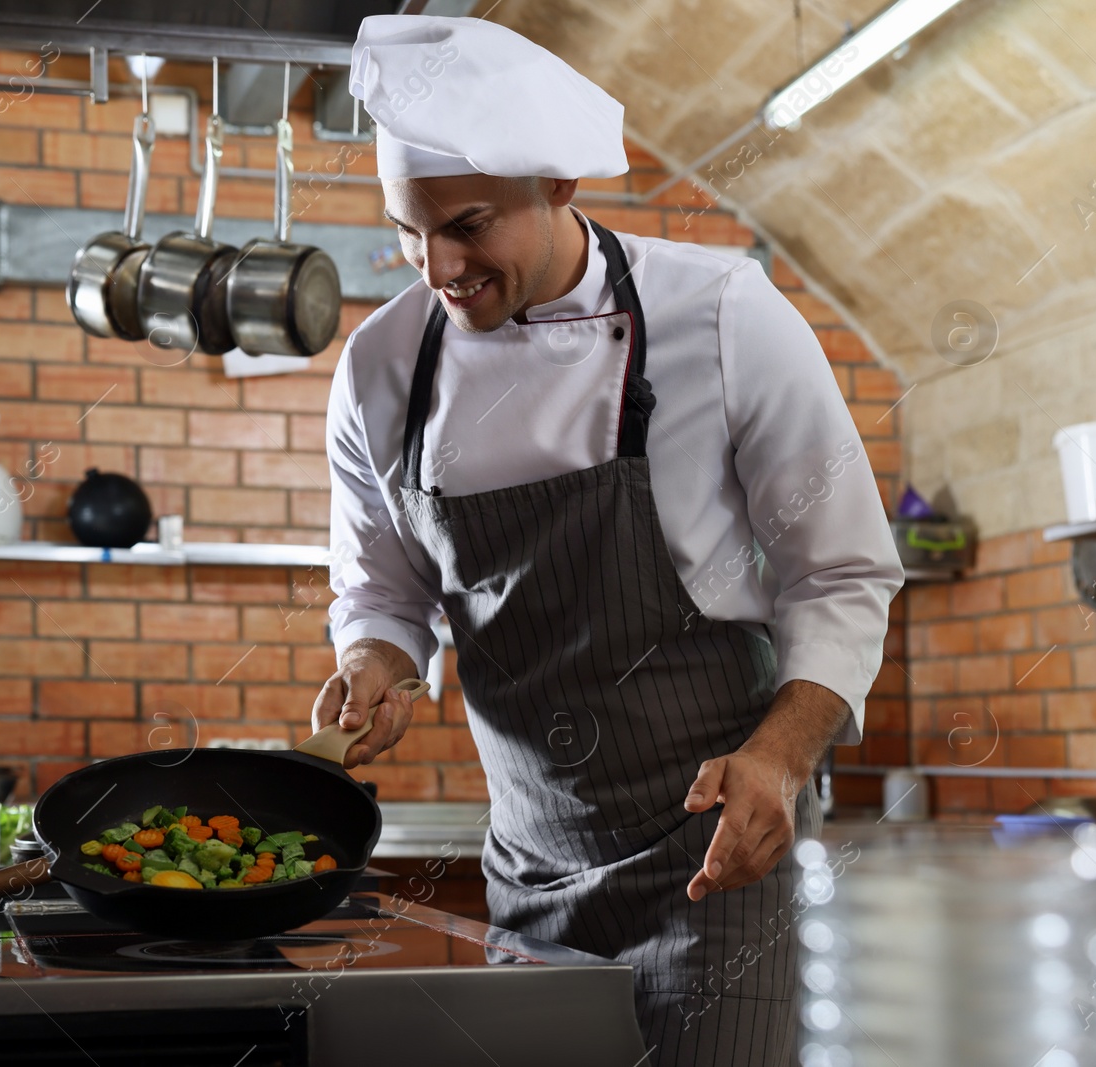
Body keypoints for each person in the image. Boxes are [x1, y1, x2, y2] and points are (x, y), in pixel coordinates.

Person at [313, 14, 905, 1065]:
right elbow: (382, 587)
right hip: (528, 866)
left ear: (559, 186)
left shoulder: (721, 314)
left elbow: (841, 566)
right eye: (411, 230)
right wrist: (374, 661)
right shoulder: (379, 367)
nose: (438, 267)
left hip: (715, 851)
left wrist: (780, 757)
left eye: (471, 224)